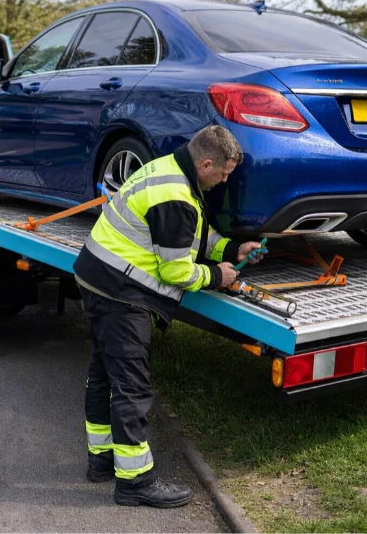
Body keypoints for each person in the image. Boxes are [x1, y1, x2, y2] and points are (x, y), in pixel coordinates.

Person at [73, 125, 264, 508]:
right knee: (132, 388)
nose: (226, 180)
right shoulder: (176, 195)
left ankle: (102, 461)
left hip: (99, 278)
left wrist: (231, 250)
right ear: (205, 164)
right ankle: (135, 482)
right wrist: (218, 276)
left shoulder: (170, 171)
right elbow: (176, 271)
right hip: (121, 293)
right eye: (224, 172)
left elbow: (194, 234)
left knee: (105, 376)